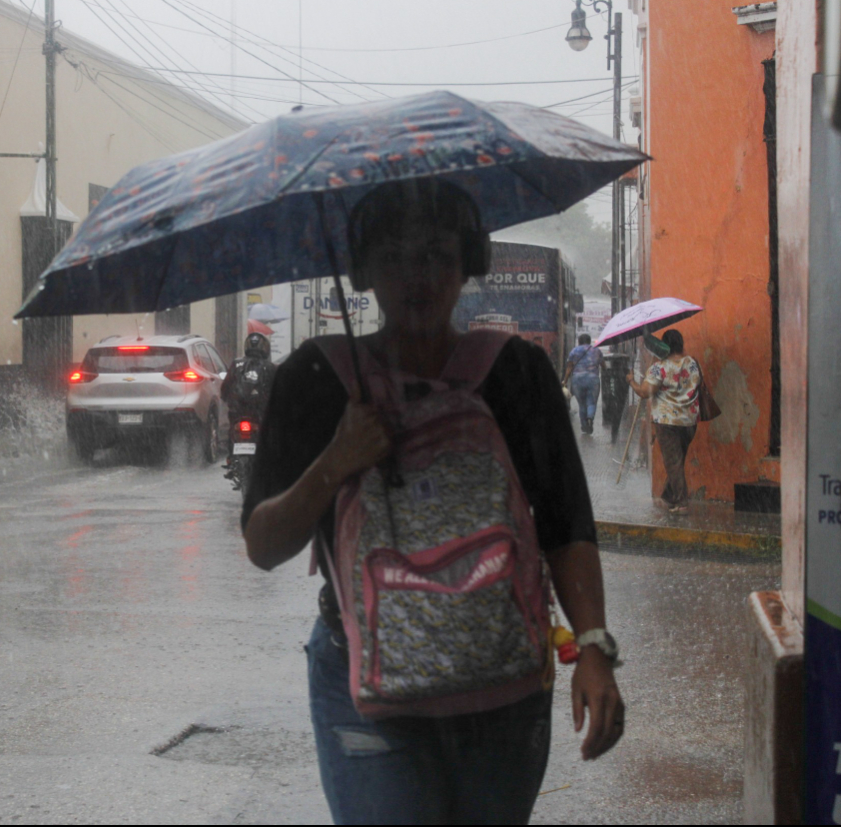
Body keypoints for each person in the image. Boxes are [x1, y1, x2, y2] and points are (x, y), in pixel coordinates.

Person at [241, 178, 624, 825]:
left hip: (502, 674)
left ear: (468, 263)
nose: (414, 277)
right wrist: (335, 460)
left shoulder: (516, 374)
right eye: (390, 258)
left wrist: (592, 648)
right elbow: (263, 546)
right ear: (361, 272)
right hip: (361, 680)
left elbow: (564, 524)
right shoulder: (314, 377)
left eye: (435, 255)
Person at [626, 328, 702, 514]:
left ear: (664, 345)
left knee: (673, 462)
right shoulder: (692, 363)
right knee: (677, 460)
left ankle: (682, 502)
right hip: (690, 421)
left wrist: (631, 381)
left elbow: (645, 392)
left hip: (668, 422)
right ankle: (668, 497)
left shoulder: (659, 368)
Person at [221, 332, 278, 423]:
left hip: (238, 411)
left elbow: (226, 386)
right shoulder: (270, 367)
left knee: (232, 429)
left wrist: (225, 397)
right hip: (260, 412)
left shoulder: (236, 363)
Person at [562, 333, 603, 434]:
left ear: (579, 341)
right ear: (589, 341)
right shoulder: (597, 351)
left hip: (577, 380)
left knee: (582, 404)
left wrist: (565, 380)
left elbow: (569, 367)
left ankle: (584, 426)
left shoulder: (574, 351)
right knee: (591, 402)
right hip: (593, 380)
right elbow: (603, 364)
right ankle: (590, 418)